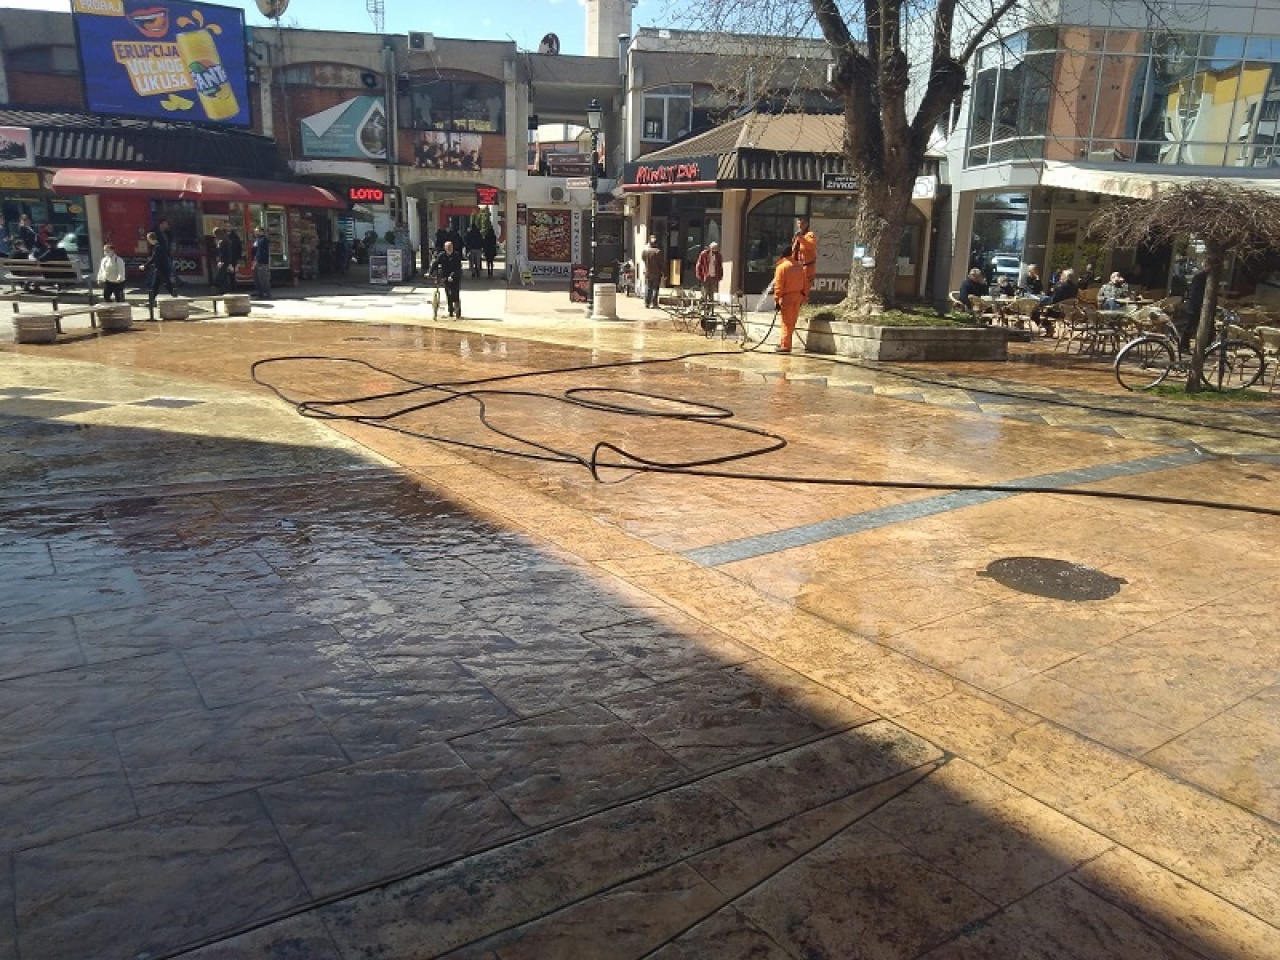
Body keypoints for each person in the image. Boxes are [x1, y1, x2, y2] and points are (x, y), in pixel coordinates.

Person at [773, 250, 808, 353]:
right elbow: (805, 283)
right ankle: (786, 342)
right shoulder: (799, 266)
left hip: (787, 297)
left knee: (786, 322)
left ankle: (785, 346)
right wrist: (804, 296)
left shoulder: (782, 267)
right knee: (792, 321)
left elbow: (778, 286)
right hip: (798, 296)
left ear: (782, 256)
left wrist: (776, 300)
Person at [430, 239, 464, 318]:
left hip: (455, 277)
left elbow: (458, 268)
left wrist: (452, 276)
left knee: (455, 293)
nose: (449, 248)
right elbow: (435, 263)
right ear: (445, 248)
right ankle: (450, 310)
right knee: (448, 293)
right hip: (445, 276)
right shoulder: (442, 255)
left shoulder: (456, 255)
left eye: (450, 247)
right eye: (447, 247)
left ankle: (457, 310)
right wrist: (430, 272)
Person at [1182, 266, 1209, 351]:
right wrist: (1199, 304)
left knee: (1192, 326)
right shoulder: (1201, 277)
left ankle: (1186, 345)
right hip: (1196, 305)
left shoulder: (1203, 276)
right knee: (1191, 326)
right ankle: (1184, 345)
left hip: (1197, 305)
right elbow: (1195, 292)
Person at [790, 216, 818, 293]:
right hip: (797, 267)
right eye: (799, 223)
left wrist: (801, 238)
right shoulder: (797, 236)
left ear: (806, 224)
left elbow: (810, 246)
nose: (800, 225)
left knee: (804, 291)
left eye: (802, 223)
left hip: (807, 267)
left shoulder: (810, 235)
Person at [143, 231, 168, 306]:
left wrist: (145, 265)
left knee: (153, 285)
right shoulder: (160, 246)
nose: (148, 241)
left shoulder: (157, 247)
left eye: (148, 239)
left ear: (151, 239)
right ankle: (152, 301)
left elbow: (154, 258)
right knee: (155, 285)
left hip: (159, 268)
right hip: (161, 268)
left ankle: (151, 302)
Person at [641, 235, 664, 308]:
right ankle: (654, 303)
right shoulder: (658, 251)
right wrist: (664, 272)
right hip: (656, 272)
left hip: (648, 272)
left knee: (648, 287)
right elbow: (661, 263)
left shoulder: (645, 251)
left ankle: (647, 303)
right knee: (655, 288)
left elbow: (643, 259)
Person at [251, 226, 272, 299]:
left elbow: (261, 252)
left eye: (257, 231)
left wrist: (258, 260)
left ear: (261, 232)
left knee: (263, 278)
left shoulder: (264, 240)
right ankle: (259, 292)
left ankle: (266, 293)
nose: (255, 232)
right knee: (257, 278)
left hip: (261, 262)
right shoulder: (257, 240)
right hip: (256, 261)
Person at [213, 228, 234, 294]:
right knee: (224, 276)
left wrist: (229, 263)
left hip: (224, 261)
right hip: (224, 261)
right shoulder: (224, 241)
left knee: (220, 277)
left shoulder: (224, 242)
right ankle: (224, 290)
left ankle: (222, 290)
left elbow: (227, 253)